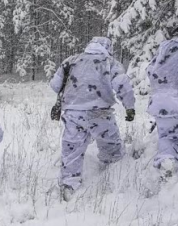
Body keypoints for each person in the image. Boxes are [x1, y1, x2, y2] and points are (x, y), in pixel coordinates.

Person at [50, 37, 136, 201]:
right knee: (111, 147)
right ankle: (110, 176)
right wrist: (129, 107)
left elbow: (55, 84)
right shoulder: (110, 62)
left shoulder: (72, 60)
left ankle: (69, 185)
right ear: (107, 48)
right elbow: (122, 84)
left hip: (73, 112)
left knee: (72, 150)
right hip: (100, 113)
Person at [145, 27, 178, 187]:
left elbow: (150, 71)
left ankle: (167, 162)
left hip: (163, 103)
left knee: (168, 138)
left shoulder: (163, 50)